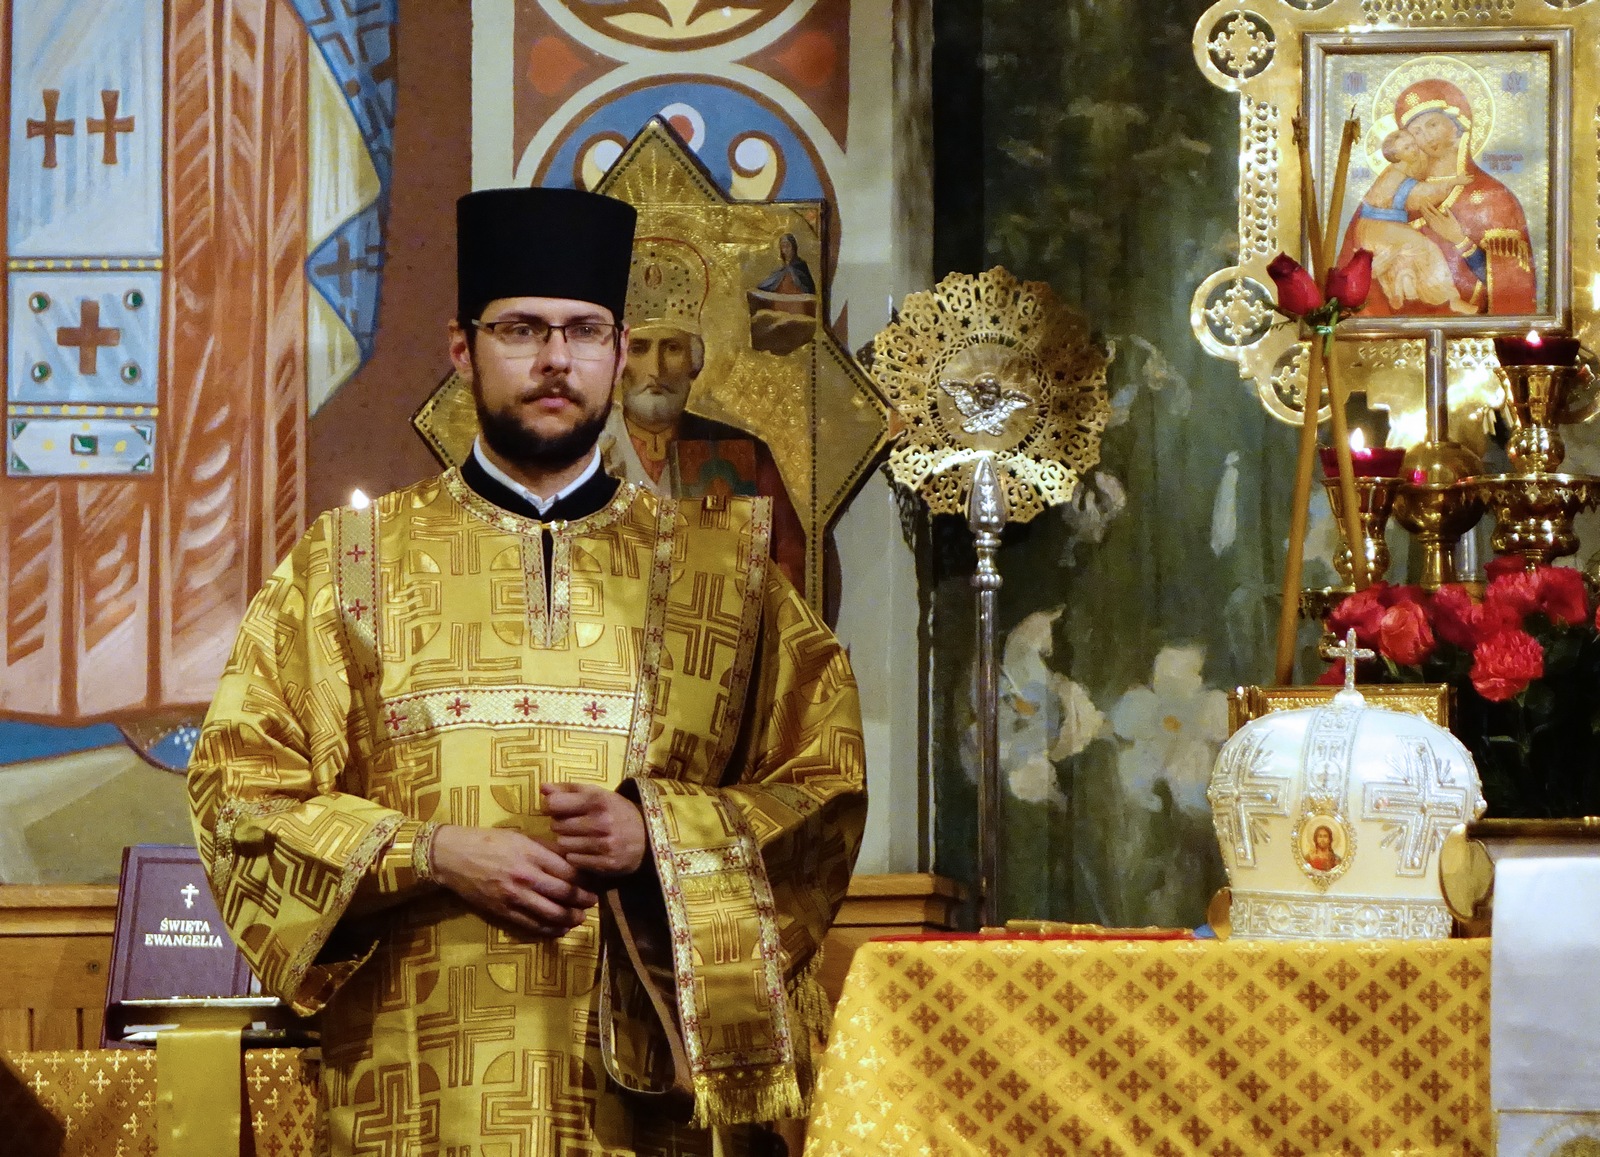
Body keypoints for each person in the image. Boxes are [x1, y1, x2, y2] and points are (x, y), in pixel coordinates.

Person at [187, 185, 867, 1156]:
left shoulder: (731, 571)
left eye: (583, 330)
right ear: (463, 350)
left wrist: (655, 834)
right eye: (522, 329)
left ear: (618, 351)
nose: (555, 357)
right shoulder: (346, 564)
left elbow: (823, 786)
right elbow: (238, 794)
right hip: (417, 1081)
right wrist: (431, 852)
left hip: (644, 1090)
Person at [600, 237, 808, 591]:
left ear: (695, 363)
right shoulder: (581, 451)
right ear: (618, 362)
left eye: (673, 348)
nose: (657, 369)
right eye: (640, 349)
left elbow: (787, 565)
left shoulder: (743, 453)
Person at [1339, 78, 1536, 317]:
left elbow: (1514, 289)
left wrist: (1461, 241)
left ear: (1457, 122)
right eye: (1416, 133)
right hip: (1391, 338)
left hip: (1472, 338)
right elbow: (1348, 282)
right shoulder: (1387, 195)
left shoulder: (1493, 198)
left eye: (1432, 124)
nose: (1426, 137)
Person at [1353, 127, 1476, 314]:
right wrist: (1454, 181)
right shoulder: (1396, 175)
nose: (1415, 149)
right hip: (1379, 227)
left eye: (1413, 144)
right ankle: (1451, 299)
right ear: (1397, 156)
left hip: (1378, 228)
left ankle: (1400, 287)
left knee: (1407, 254)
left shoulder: (1397, 171)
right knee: (1427, 249)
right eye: (1407, 148)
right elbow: (1422, 194)